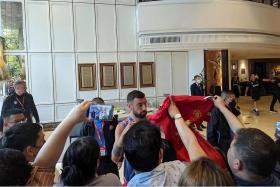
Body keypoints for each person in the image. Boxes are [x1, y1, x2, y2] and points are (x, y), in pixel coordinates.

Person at [0, 100, 93, 185]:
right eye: (43, 141)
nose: (46, 145)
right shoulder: (36, 181)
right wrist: (71, 119)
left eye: (23, 120)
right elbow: (44, 164)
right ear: (30, 151)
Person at [212, 96, 280, 186]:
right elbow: (240, 131)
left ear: (237, 164)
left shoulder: (225, 183)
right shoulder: (272, 168)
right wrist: (222, 107)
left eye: (231, 146)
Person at [111, 90, 148, 182]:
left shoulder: (150, 123)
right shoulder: (121, 127)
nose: (144, 108)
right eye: (140, 105)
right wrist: (124, 134)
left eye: (145, 104)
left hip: (151, 171)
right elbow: (115, 158)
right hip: (132, 174)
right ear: (129, 106)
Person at [80, 97, 119, 176]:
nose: (99, 111)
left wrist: (120, 157)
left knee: (113, 177)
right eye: (96, 109)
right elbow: (82, 139)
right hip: (93, 156)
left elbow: (118, 140)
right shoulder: (87, 124)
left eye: (102, 108)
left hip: (109, 155)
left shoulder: (112, 121)